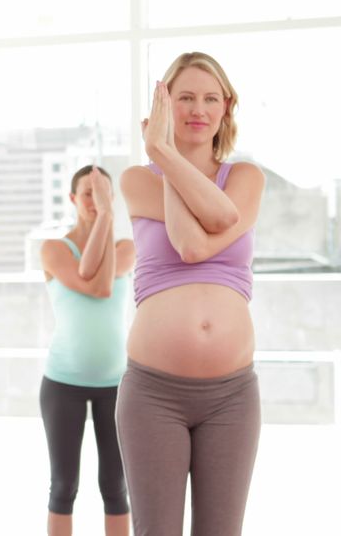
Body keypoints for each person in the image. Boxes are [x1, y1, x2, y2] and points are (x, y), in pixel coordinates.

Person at [116, 51, 265, 535]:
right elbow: (186, 240)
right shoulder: (138, 179)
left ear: (226, 107)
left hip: (232, 395)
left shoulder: (245, 178)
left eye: (209, 98)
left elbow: (203, 237)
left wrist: (163, 150)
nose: (197, 109)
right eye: (184, 98)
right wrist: (163, 157)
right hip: (152, 393)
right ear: (164, 108)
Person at [39, 164, 135, 536]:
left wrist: (106, 221)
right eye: (89, 193)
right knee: (63, 487)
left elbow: (103, 284)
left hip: (117, 385)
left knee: (116, 488)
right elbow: (93, 284)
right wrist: (106, 219)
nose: (97, 201)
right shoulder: (52, 250)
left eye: (104, 193)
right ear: (74, 199)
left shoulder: (125, 248)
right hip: (63, 383)